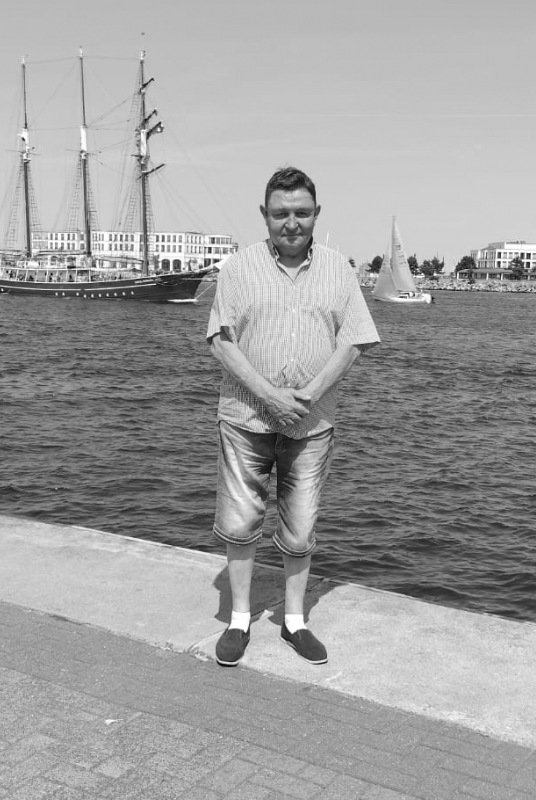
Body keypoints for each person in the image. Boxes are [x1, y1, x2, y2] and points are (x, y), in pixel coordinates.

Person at [206, 166, 380, 667]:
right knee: (240, 521)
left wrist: (307, 394)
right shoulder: (238, 269)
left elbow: (355, 341)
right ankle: (239, 620)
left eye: (301, 213)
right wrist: (269, 396)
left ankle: (295, 621)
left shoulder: (339, 271)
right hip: (245, 418)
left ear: (316, 214)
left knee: (300, 527)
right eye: (281, 213)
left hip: (312, 421)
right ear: (264, 215)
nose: (291, 223)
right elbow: (221, 341)